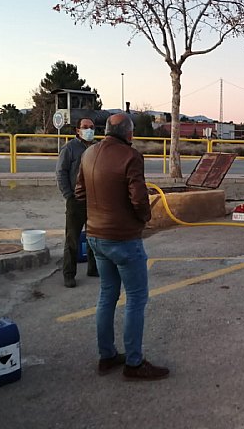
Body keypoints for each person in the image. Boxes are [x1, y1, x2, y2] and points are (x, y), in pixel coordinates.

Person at [75, 113, 169, 381]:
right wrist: (144, 218)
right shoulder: (131, 156)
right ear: (129, 133)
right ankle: (134, 363)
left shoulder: (89, 153)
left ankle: (107, 356)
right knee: (136, 299)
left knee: (107, 295)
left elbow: (79, 192)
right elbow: (139, 199)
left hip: (95, 236)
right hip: (124, 238)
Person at [55, 118, 98, 288]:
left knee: (94, 236)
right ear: (77, 130)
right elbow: (61, 173)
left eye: (92, 127)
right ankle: (69, 274)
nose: (89, 130)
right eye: (85, 127)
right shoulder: (69, 149)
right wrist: (69, 196)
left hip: (94, 200)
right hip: (76, 200)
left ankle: (93, 268)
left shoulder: (96, 148)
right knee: (72, 238)